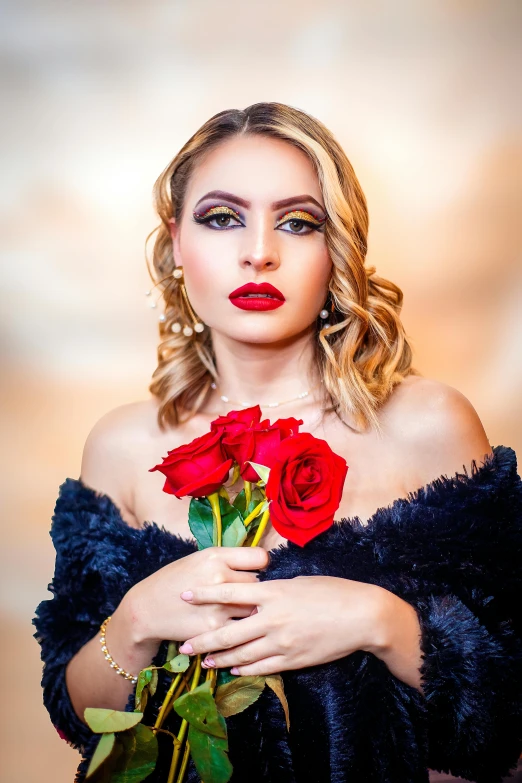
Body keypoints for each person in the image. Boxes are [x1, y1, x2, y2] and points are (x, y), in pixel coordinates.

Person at [33, 102, 522, 783]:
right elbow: (78, 718)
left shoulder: (430, 423)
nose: (258, 250)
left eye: (297, 221)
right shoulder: (121, 443)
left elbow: (511, 717)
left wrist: (378, 618)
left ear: (338, 249)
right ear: (177, 244)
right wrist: (140, 616)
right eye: (222, 217)